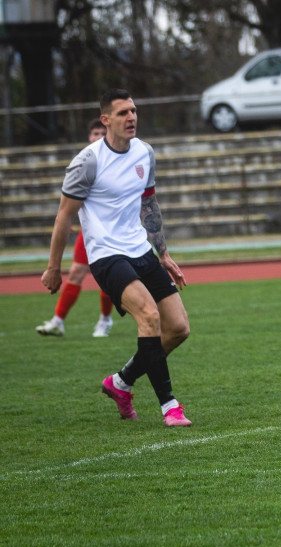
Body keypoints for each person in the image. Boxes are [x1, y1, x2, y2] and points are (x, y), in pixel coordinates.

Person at [41, 89, 192, 427]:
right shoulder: (88, 161)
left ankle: (120, 382)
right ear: (106, 120)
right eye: (123, 112)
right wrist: (54, 268)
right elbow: (64, 216)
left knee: (179, 328)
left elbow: (149, 205)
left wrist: (163, 254)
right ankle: (170, 406)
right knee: (149, 317)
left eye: (134, 111)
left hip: (140, 249)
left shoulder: (145, 153)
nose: (131, 117)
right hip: (107, 256)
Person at [36, 119, 116, 338]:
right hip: (88, 232)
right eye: (95, 133)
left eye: (103, 132)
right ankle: (58, 321)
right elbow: (72, 200)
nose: (98, 136)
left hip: (113, 233)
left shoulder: (116, 162)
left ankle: (105, 320)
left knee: (108, 277)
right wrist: (70, 220)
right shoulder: (85, 162)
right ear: (89, 137)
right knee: (76, 273)